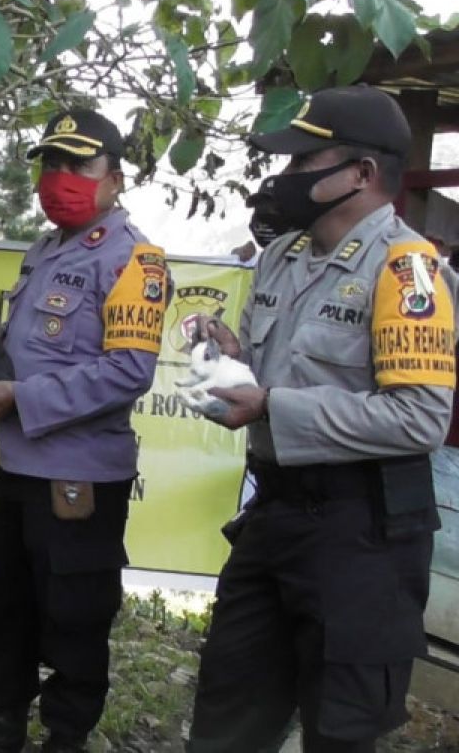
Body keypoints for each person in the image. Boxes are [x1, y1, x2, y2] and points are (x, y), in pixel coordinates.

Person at [186, 85, 455, 753]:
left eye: (305, 161)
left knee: (338, 732)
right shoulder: (282, 256)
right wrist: (232, 359)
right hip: (274, 515)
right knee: (226, 715)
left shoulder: (407, 271)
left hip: (362, 535)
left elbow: (419, 417)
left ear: (361, 174)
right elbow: (280, 369)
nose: (285, 177)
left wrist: (273, 406)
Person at [0, 109, 170, 753]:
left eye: (77, 165)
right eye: (50, 163)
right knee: (3, 598)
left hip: (78, 474)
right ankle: (4, 719)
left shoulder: (134, 262)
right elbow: (50, 352)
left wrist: (22, 395)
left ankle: (66, 736)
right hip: (19, 465)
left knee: (74, 613)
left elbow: (127, 372)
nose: (58, 177)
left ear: (114, 179)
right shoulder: (47, 249)